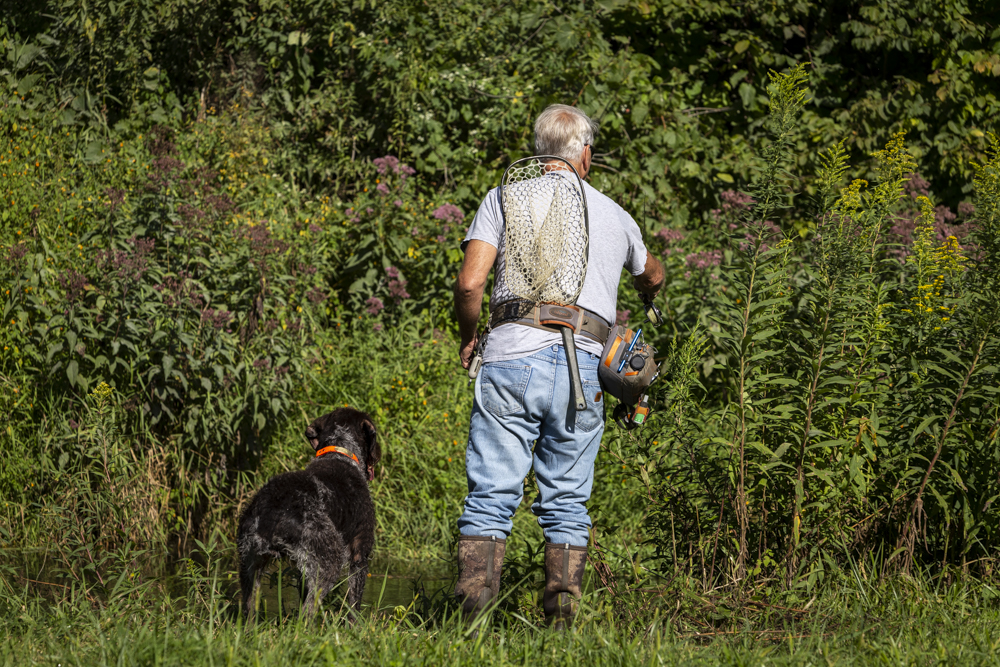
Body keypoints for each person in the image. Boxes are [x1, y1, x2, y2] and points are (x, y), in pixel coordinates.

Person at [452, 104, 665, 628]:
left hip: (509, 358)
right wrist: (648, 286)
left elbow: (469, 284)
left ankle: (468, 626)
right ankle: (561, 627)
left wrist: (468, 337)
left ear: (540, 149)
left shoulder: (504, 196)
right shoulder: (616, 214)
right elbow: (653, 272)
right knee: (568, 500)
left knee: (492, 492)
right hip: (586, 370)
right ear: (585, 154)